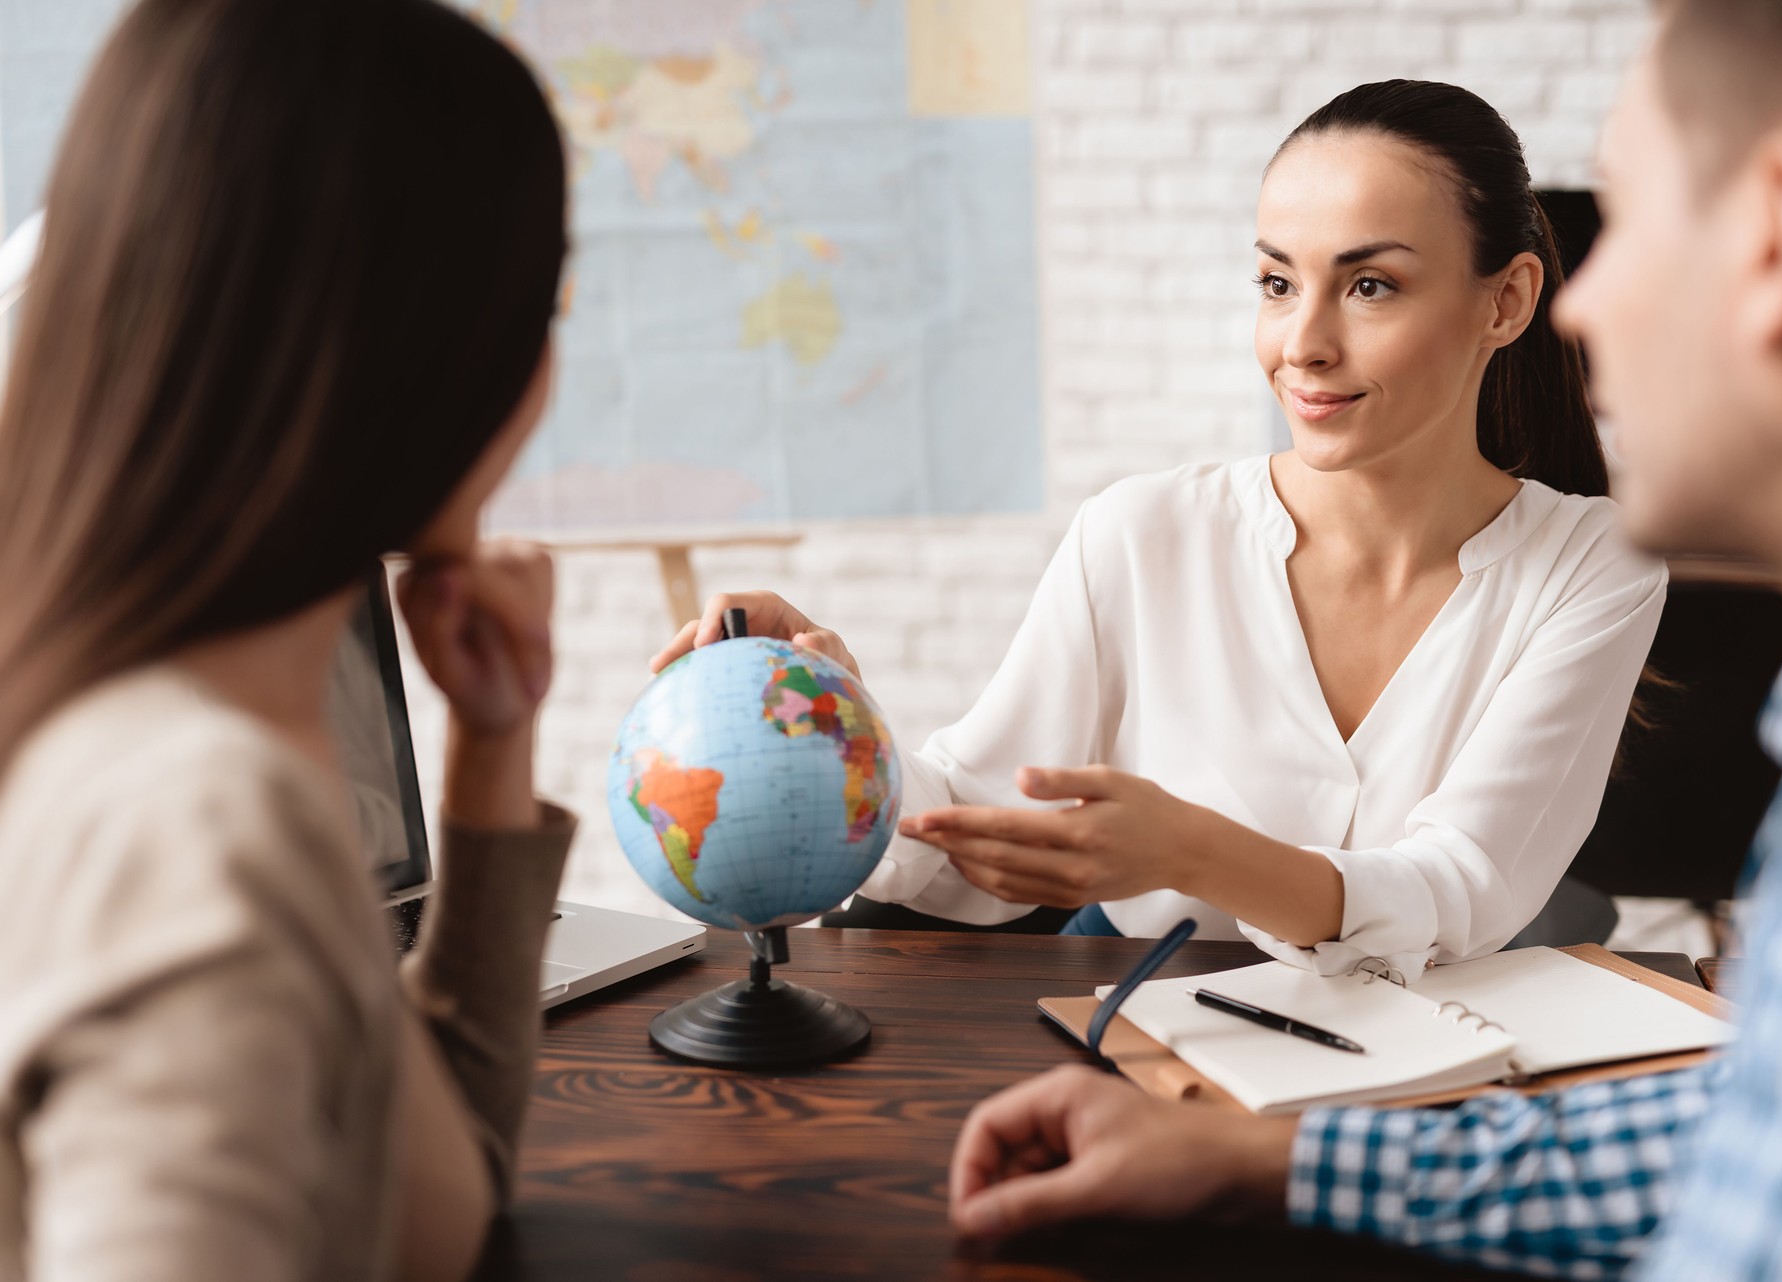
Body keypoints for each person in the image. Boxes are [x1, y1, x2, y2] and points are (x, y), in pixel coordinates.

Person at [947, 0, 1782, 1276]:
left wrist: (1191, 847)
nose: (1590, 308)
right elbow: (1758, 1127)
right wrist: (1268, 1164)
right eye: (1276, 279)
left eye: (1630, 222)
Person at [653, 81, 1666, 975]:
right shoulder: (1143, 532)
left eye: (1370, 286)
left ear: (1508, 302)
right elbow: (978, 823)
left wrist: (1189, 851)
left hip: (1424, 1093)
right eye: (1277, 283)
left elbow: (1460, 891)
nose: (1301, 345)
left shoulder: (1593, 564)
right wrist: (836, 725)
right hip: (1151, 1056)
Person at [0, 0, 573, 1278]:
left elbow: (428, 1189)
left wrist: (494, 741)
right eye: (547, 298)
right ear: (430, 355)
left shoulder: (155, 731)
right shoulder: (201, 826)